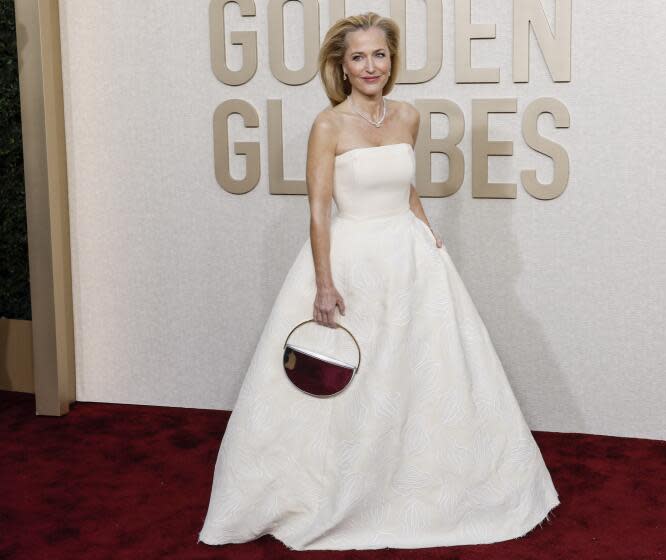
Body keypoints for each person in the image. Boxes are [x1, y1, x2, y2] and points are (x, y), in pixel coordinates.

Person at [197, 11, 560, 551]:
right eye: (359, 57)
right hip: (353, 260)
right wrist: (323, 283)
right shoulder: (329, 125)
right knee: (353, 382)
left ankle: (421, 484)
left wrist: (426, 229)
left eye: (380, 55)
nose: (371, 66)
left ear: (392, 61)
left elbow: (404, 186)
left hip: (410, 257)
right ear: (342, 68)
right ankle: (341, 489)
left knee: (423, 374)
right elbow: (319, 210)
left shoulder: (409, 117)